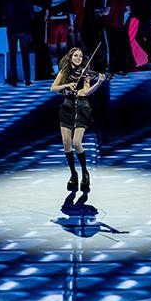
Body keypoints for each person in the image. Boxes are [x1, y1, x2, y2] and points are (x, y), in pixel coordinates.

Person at [50, 47, 105, 192]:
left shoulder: (85, 74)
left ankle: (85, 173)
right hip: (67, 107)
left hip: (82, 108)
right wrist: (67, 85)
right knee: (66, 143)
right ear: (70, 57)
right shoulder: (64, 72)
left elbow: (86, 92)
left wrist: (98, 83)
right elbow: (53, 88)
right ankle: (73, 174)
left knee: (76, 142)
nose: (78, 58)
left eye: (80, 56)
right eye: (75, 55)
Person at [3, 0, 33, 86]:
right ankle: (28, 80)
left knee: (13, 54)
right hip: (25, 29)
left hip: (12, 29)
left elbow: (4, 15)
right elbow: (32, 14)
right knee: (25, 54)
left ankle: (14, 80)